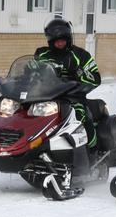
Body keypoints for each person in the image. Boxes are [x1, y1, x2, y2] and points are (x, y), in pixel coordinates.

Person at [32, 17, 102, 147]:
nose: (59, 44)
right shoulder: (42, 54)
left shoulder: (81, 55)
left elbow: (96, 78)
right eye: (56, 41)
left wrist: (79, 72)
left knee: (81, 116)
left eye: (62, 40)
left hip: (72, 98)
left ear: (68, 38)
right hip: (43, 97)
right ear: (50, 41)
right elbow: (29, 72)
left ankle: (91, 152)